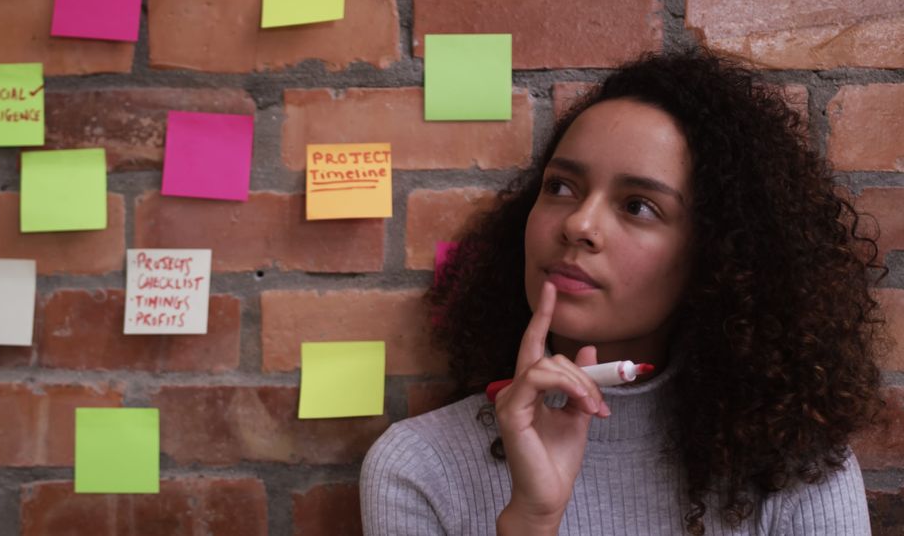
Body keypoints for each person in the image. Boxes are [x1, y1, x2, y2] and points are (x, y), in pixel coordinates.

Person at [360, 46, 892, 535]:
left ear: (717, 257)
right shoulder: (417, 467)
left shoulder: (796, 467)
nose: (579, 225)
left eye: (638, 205)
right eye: (561, 187)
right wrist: (532, 519)